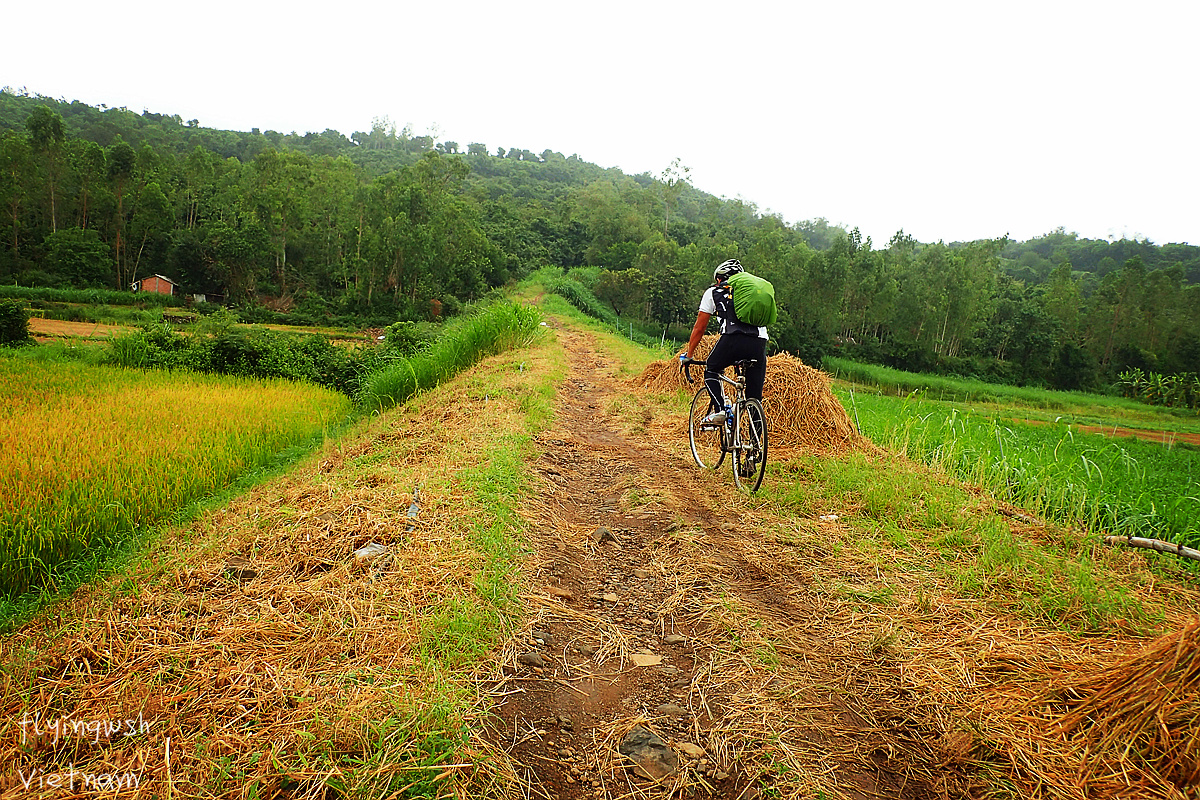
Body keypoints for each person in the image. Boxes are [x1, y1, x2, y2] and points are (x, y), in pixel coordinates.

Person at [678, 259, 768, 426]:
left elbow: (699, 327)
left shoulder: (713, 291)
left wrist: (689, 355)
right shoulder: (751, 293)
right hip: (759, 343)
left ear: (720, 278)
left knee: (712, 369)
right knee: (755, 398)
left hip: (732, 339)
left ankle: (720, 410)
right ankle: (756, 448)